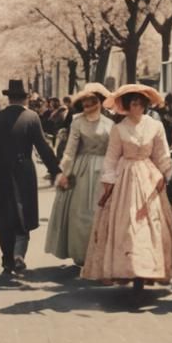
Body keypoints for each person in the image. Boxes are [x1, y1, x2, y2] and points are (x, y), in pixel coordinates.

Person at [81, 84, 172, 294]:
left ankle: (146, 270)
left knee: (150, 224)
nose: (137, 108)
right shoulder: (119, 129)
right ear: (127, 106)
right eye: (133, 104)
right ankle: (133, 270)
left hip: (149, 177)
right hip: (125, 178)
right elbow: (111, 158)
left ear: (146, 105)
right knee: (129, 225)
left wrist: (169, 175)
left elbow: (162, 156)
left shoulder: (155, 126)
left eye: (141, 104)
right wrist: (108, 182)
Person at [0, 79, 61, 279]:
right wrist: (56, 170)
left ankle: (7, 259)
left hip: (1, 171)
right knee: (23, 213)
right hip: (24, 170)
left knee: (3, 216)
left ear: (8, 97)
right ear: (26, 98)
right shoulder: (32, 117)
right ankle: (19, 253)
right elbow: (42, 147)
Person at [46, 83, 113, 266]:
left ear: (100, 102)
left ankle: (99, 253)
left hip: (104, 169)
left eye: (92, 101)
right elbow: (70, 149)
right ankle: (82, 253)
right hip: (82, 169)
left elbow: (113, 151)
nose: (88, 105)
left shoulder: (110, 124)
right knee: (81, 213)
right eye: (85, 102)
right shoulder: (77, 121)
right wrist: (64, 172)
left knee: (100, 212)